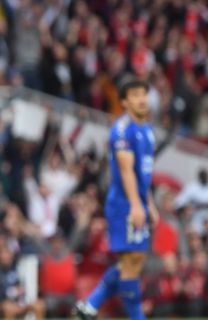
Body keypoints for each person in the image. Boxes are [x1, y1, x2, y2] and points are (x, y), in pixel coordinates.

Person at [74, 78, 158, 320]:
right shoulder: (122, 129)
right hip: (124, 204)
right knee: (131, 261)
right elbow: (125, 170)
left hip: (138, 202)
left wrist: (149, 203)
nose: (142, 99)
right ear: (124, 102)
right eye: (135, 95)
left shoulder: (147, 130)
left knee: (133, 261)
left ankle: (89, 306)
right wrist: (135, 205)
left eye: (144, 93)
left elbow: (144, 174)